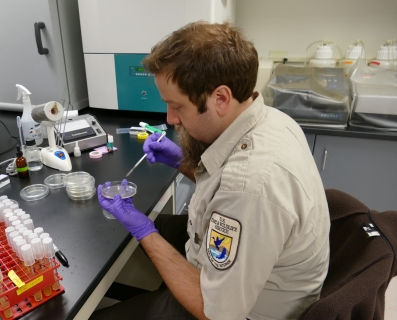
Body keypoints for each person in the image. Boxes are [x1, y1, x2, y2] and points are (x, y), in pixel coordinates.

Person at [92, 21, 330, 320]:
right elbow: (223, 183)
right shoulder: (271, 118)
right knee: (131, 233)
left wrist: (144, 230)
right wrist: (180, 160)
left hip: (242, 311)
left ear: (220, 98)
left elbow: (216, 312)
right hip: (253, 266)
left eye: (177, 107)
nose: (171, 119)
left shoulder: (250, 187)